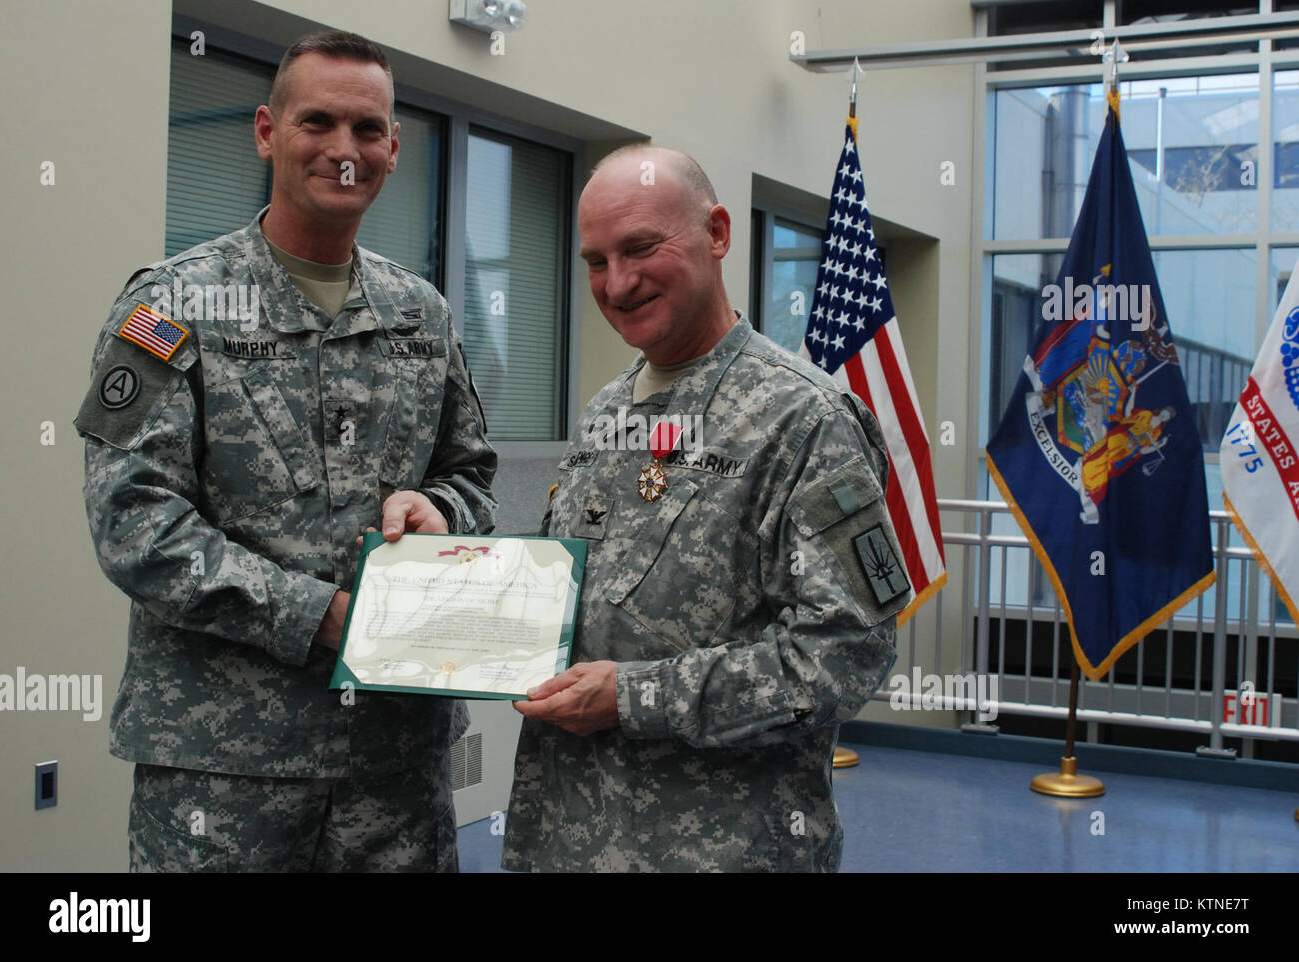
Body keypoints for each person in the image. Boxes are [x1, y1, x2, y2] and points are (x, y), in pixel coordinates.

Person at [74, 30, 496, 872]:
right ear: (267, 131)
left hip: (394, 766)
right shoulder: (169, 307)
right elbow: (133, 523)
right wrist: (316, 617)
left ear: (394, 148)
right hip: (226, 771)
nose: (345, 150)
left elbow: (471, 474)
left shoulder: (423, 313)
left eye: (368, 130)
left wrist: (438, 508)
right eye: (319, 123)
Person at [501, 145, 904, 872]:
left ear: (716, 233)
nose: (617, 284)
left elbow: (846, 656)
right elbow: (568, 594)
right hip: (566, 836)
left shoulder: (804, 419)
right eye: (595, 261)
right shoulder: (605, 413)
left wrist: (633, 698)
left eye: (640, 248)